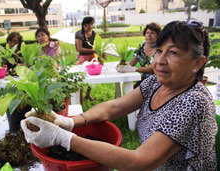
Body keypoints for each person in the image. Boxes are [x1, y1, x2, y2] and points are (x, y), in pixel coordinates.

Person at [21, 19, 217, 170]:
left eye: (173, 53)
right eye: (159, 51)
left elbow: (139, 161)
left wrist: (63, 138)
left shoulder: (194, 102)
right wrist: (71, 122)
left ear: (197, 63)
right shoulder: (157, 83)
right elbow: (114, 107)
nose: (159, 61)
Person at [75, 16, 105, 101]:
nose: (92, 26)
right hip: (82, 57)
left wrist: (100, 53)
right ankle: (80, 99)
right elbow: (79, 48)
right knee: (80, 78)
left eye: (92, 24)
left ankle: (87, 94)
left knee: (91, 77)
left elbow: (95, 45)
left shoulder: (93, 33)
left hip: (91, 57)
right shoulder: (79, 34)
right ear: (85, 25)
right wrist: (95, 51)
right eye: (91, 24)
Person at [129, 22, 161, 88]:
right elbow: (131, 63)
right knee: (131, 92)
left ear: (158, 35)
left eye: (152, 33)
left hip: (158, 81)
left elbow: (152, 68)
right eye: (147, 33)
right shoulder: (141, 46)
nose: (149, 35)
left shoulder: (160, 48)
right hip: (144, 80)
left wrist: (135, 69)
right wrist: (124, 66)